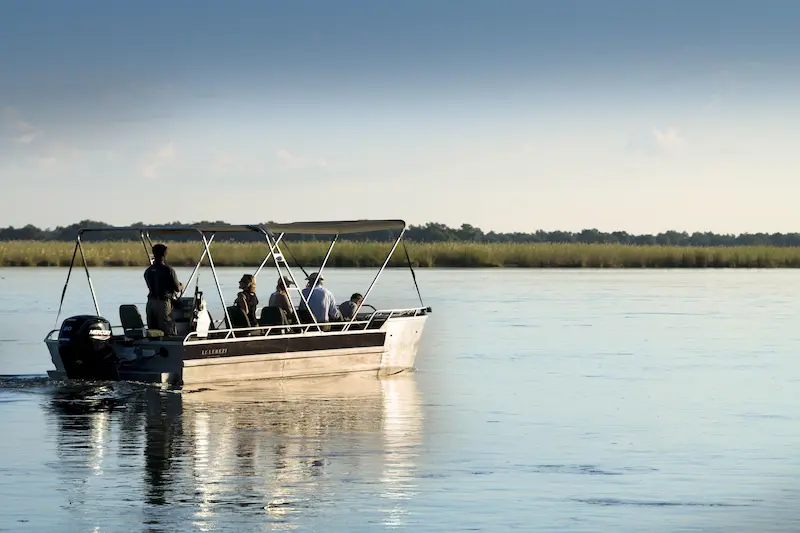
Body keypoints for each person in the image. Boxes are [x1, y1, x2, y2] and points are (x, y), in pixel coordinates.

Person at [143, 243, 183, 335]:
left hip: (151, 303)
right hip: (163, 303)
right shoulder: (168, 270)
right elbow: (177, 288)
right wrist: (182, 286)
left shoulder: (148, 271)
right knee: (167, 330)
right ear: (164, 254)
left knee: (152, 330)